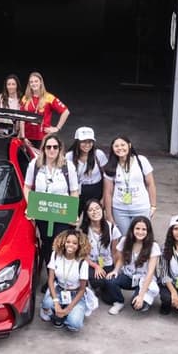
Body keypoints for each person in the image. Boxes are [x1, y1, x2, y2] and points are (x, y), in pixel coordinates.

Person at [23, 133, 79, 268]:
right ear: (43, 149)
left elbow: (74, 191)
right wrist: (30, 206)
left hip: (62, 212)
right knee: (46, 243)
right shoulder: (35, 164)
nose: (52, 150)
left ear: (60, 149)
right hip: (42, 210)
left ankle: (61, 276)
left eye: (55, 147)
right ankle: (50, 277)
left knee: (59, 244)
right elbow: (27, 187)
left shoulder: (68, 166)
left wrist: (73, 213)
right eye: (48, 147)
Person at [105, 216, 161, 314]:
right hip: (128, 276)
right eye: (137, 228)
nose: (140, 232)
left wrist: (141, 295)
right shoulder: (125, 240)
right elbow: (121, 259)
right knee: (110, 280)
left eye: (144, 229)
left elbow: (150, 272)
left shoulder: (153, 246)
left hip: (143, 279)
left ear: (148, 231)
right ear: (132, 229)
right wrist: (115, 270)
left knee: (138, 306)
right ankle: (118, 302)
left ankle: (143, 296)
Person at [38, 229, 92, 332]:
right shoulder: (55, 255)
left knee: (74, 324)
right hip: (58, 289)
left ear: (80, 245)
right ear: (63, 242)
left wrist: (67, 309)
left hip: (76, 294)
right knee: (47, 304)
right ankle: (52, 310)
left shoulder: (82, 262)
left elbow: (82, 289)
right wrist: (56, 303)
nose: (70, 245)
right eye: (68, 242)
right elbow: (50, 280)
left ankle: (70, 314)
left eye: (75, 243)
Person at [103, 135, 157, 236]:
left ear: (129, 145)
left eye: (123, 145)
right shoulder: (110, 166)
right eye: (116, 146)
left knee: (140, 237)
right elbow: (108, 192)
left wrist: (153, 205)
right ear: (112, 148)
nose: (120, 148)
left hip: (141, 207)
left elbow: (150, 184)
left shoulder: (141, 161)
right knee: (124, 239)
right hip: (119, 210)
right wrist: (109, 215)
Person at [79, 198, 122, 306]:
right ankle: (92, 286)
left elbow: (115, 252)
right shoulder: (83, 230)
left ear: (102, 210)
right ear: (87, 214)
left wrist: (116, 270)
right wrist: (96, 266)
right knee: (97, 279)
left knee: (109, 297)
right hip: (91, 263)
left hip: (107, 263)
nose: (95, 212)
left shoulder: (112, 228)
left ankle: (102, 290)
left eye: (97, 208)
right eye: (91, 210)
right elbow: (83, 255)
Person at [20, 71, 70, 149]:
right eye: (31, 82)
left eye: (36, 81)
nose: (34, 84)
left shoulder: (49, 97)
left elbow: (66, 112)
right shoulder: (25, 98)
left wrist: (57, 128)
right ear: (29, 84)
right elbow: (22, 119)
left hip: (43, 138)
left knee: (42, 160)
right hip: (27, 138)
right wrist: (23, 137)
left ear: (41, 83)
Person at [66, 127, 108, 217]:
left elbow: (106, 177)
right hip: (76, 190)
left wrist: (104, 198)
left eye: (90, 141)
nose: (87, 145)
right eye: (83, 141)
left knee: (92, 219)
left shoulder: (99, 154)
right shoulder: (69, 156)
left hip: (95, 190)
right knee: (71, 218)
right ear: (77, 142)